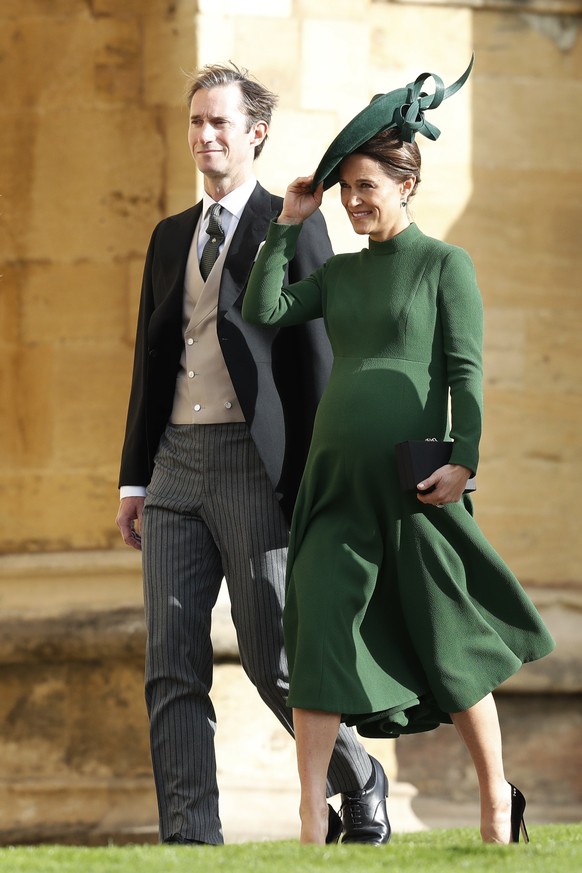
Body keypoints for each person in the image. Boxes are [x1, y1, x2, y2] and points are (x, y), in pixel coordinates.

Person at [242, 57, 556, 845]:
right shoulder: (341, 274)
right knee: (316, 636)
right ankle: (312, 818)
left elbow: (465, 371)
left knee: (448, 639)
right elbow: (264, 304)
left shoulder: (445, 265)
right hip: (334, 482)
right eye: (344, 188)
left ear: (406, 184)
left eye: (365, 187)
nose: (351, 202)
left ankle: (494, 804)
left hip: (416, 479)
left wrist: (466, 457)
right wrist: (291, 221)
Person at [115, 62, 391, 846]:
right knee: (171, 661)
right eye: (195, 121)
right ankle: (190, 841)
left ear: (255, 133)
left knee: (275, 662)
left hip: (254, 471)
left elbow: (316, 365)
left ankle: (359, 777)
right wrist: (134, 478)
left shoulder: (295, 224)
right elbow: (149, 363)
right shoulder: (170, 236)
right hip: (174, 468)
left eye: (219, 123)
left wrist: (311, 487)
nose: (204, 135)